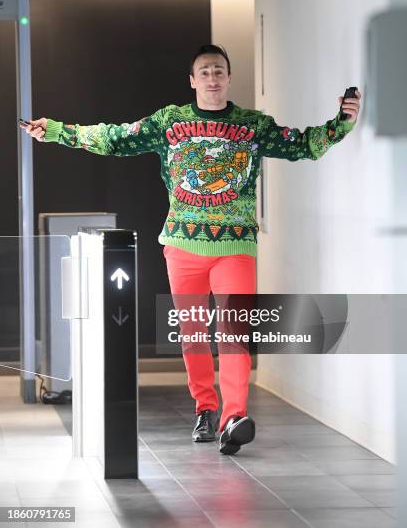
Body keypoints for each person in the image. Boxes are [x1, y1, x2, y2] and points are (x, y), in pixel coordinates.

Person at [22, 44, 361, 455]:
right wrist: (57, 130)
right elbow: (115, 138)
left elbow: (303, 144)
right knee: (193, 332)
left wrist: (341, 123)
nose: (212, 78)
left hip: (235, 245)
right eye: (204, 72)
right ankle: (205, 407)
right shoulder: (170, 121)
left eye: (219, 70)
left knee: (235, 329)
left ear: (229, 78)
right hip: (182, 245)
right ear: (192, 80)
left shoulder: (252, 125)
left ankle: (233, 416)